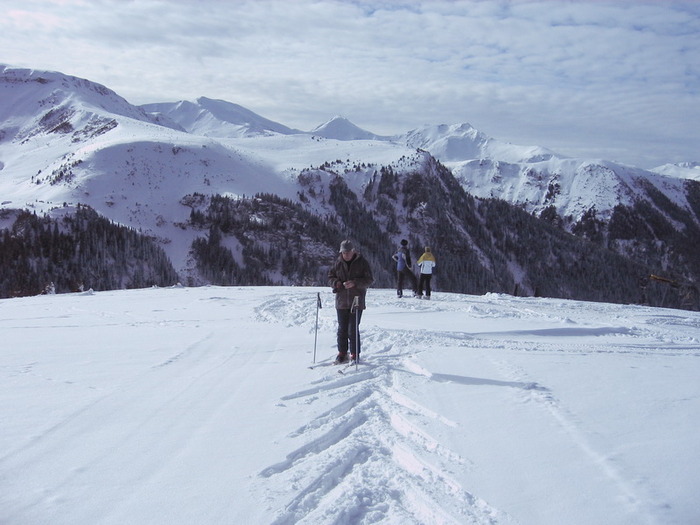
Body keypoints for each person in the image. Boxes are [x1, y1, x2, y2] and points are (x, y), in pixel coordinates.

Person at [327, 240, 374, 364]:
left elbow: (369, 280)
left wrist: (355, 283)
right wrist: (336, 283)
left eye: (348, 252)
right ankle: (342, 353)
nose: (346, 254)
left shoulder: (362, 263)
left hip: (356, 301)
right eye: (343, 252)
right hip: (341, 301)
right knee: (342, 328)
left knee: (353, 328)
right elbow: (330, 277)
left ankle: (354, 354)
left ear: (353, 251)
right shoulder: (338, 263)